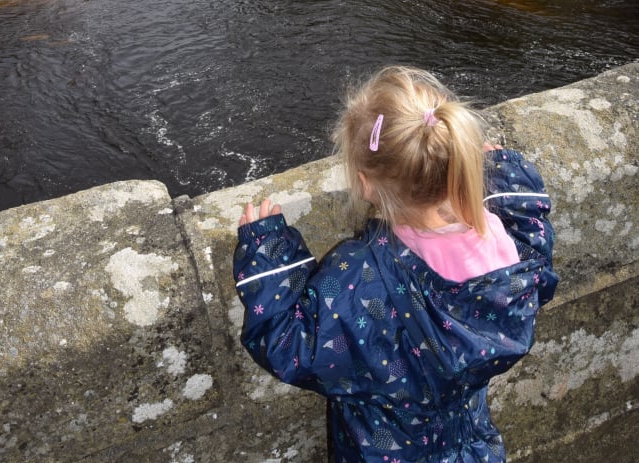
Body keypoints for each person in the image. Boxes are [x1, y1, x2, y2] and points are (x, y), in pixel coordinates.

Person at [233, 65, 558, 462]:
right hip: (469, 446)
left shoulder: (360, 275)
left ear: (365, 183)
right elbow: (534, 249)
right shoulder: (502, 247)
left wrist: (270, 254)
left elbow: (290, 344)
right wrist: (507, 183)